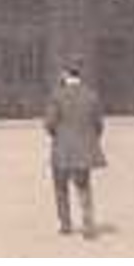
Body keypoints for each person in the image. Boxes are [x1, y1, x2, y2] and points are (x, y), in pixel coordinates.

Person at [43, 61, 106, 239]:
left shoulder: (57, 96)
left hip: (62, 150)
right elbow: (99, 125)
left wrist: (57, 136)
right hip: (83, 150)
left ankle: (65, 224)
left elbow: (49, 123)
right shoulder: (91, 96)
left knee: (61, 188)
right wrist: (89, 140)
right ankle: (88, 225)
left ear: (65, 75)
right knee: (84, 187)